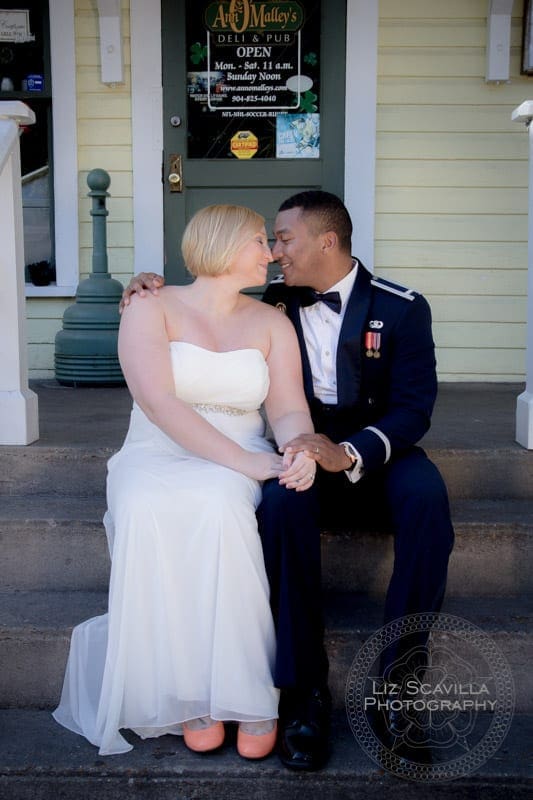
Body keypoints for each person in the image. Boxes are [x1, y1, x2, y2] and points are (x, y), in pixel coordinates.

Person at [121, 190, 455, 771]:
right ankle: (303, 693)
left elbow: (413, 409)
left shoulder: (402, 307)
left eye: (284, 239)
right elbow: (205, 296)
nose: (275, 254)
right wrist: (146, 282)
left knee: (428, 502)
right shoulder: (270, 305)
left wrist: (346, 451)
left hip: (374, 449)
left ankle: (399, 688)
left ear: (327, 241)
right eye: (268, 240)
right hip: (294, 446)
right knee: (281, 507)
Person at [53, 204, 317, 758]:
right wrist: (250, 466)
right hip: (156, 448)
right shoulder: (150, 305)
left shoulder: (271, 321)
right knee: (148, 505)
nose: (270, 252)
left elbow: (289, 407)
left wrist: (297, 448)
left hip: (242, 447)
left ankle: (246, 693)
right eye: (259, 241)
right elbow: (158, 401)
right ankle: (188, 692)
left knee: (222, 507)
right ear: (223, 245)